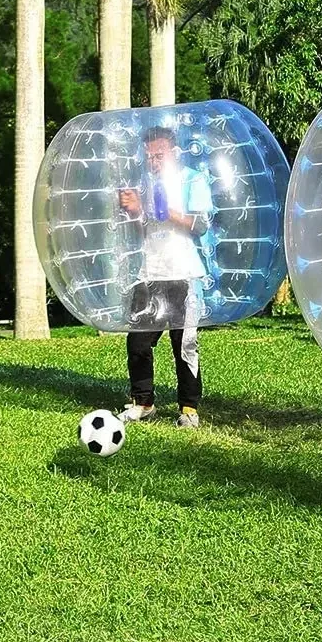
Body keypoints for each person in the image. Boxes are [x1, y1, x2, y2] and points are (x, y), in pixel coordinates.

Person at [117, 126, 214, 429]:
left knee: (183, 343)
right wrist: (134, 212)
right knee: (138, 342)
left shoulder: (192, 180)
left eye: (159, 155)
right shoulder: (144, 184)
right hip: (150, 272)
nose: (154, 162)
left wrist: (165, 211)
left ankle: (188, 408)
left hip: (182, 273)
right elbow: (142, 231)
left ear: (173, 152)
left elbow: (201, 225)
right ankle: (143, 403)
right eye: (149, 157)